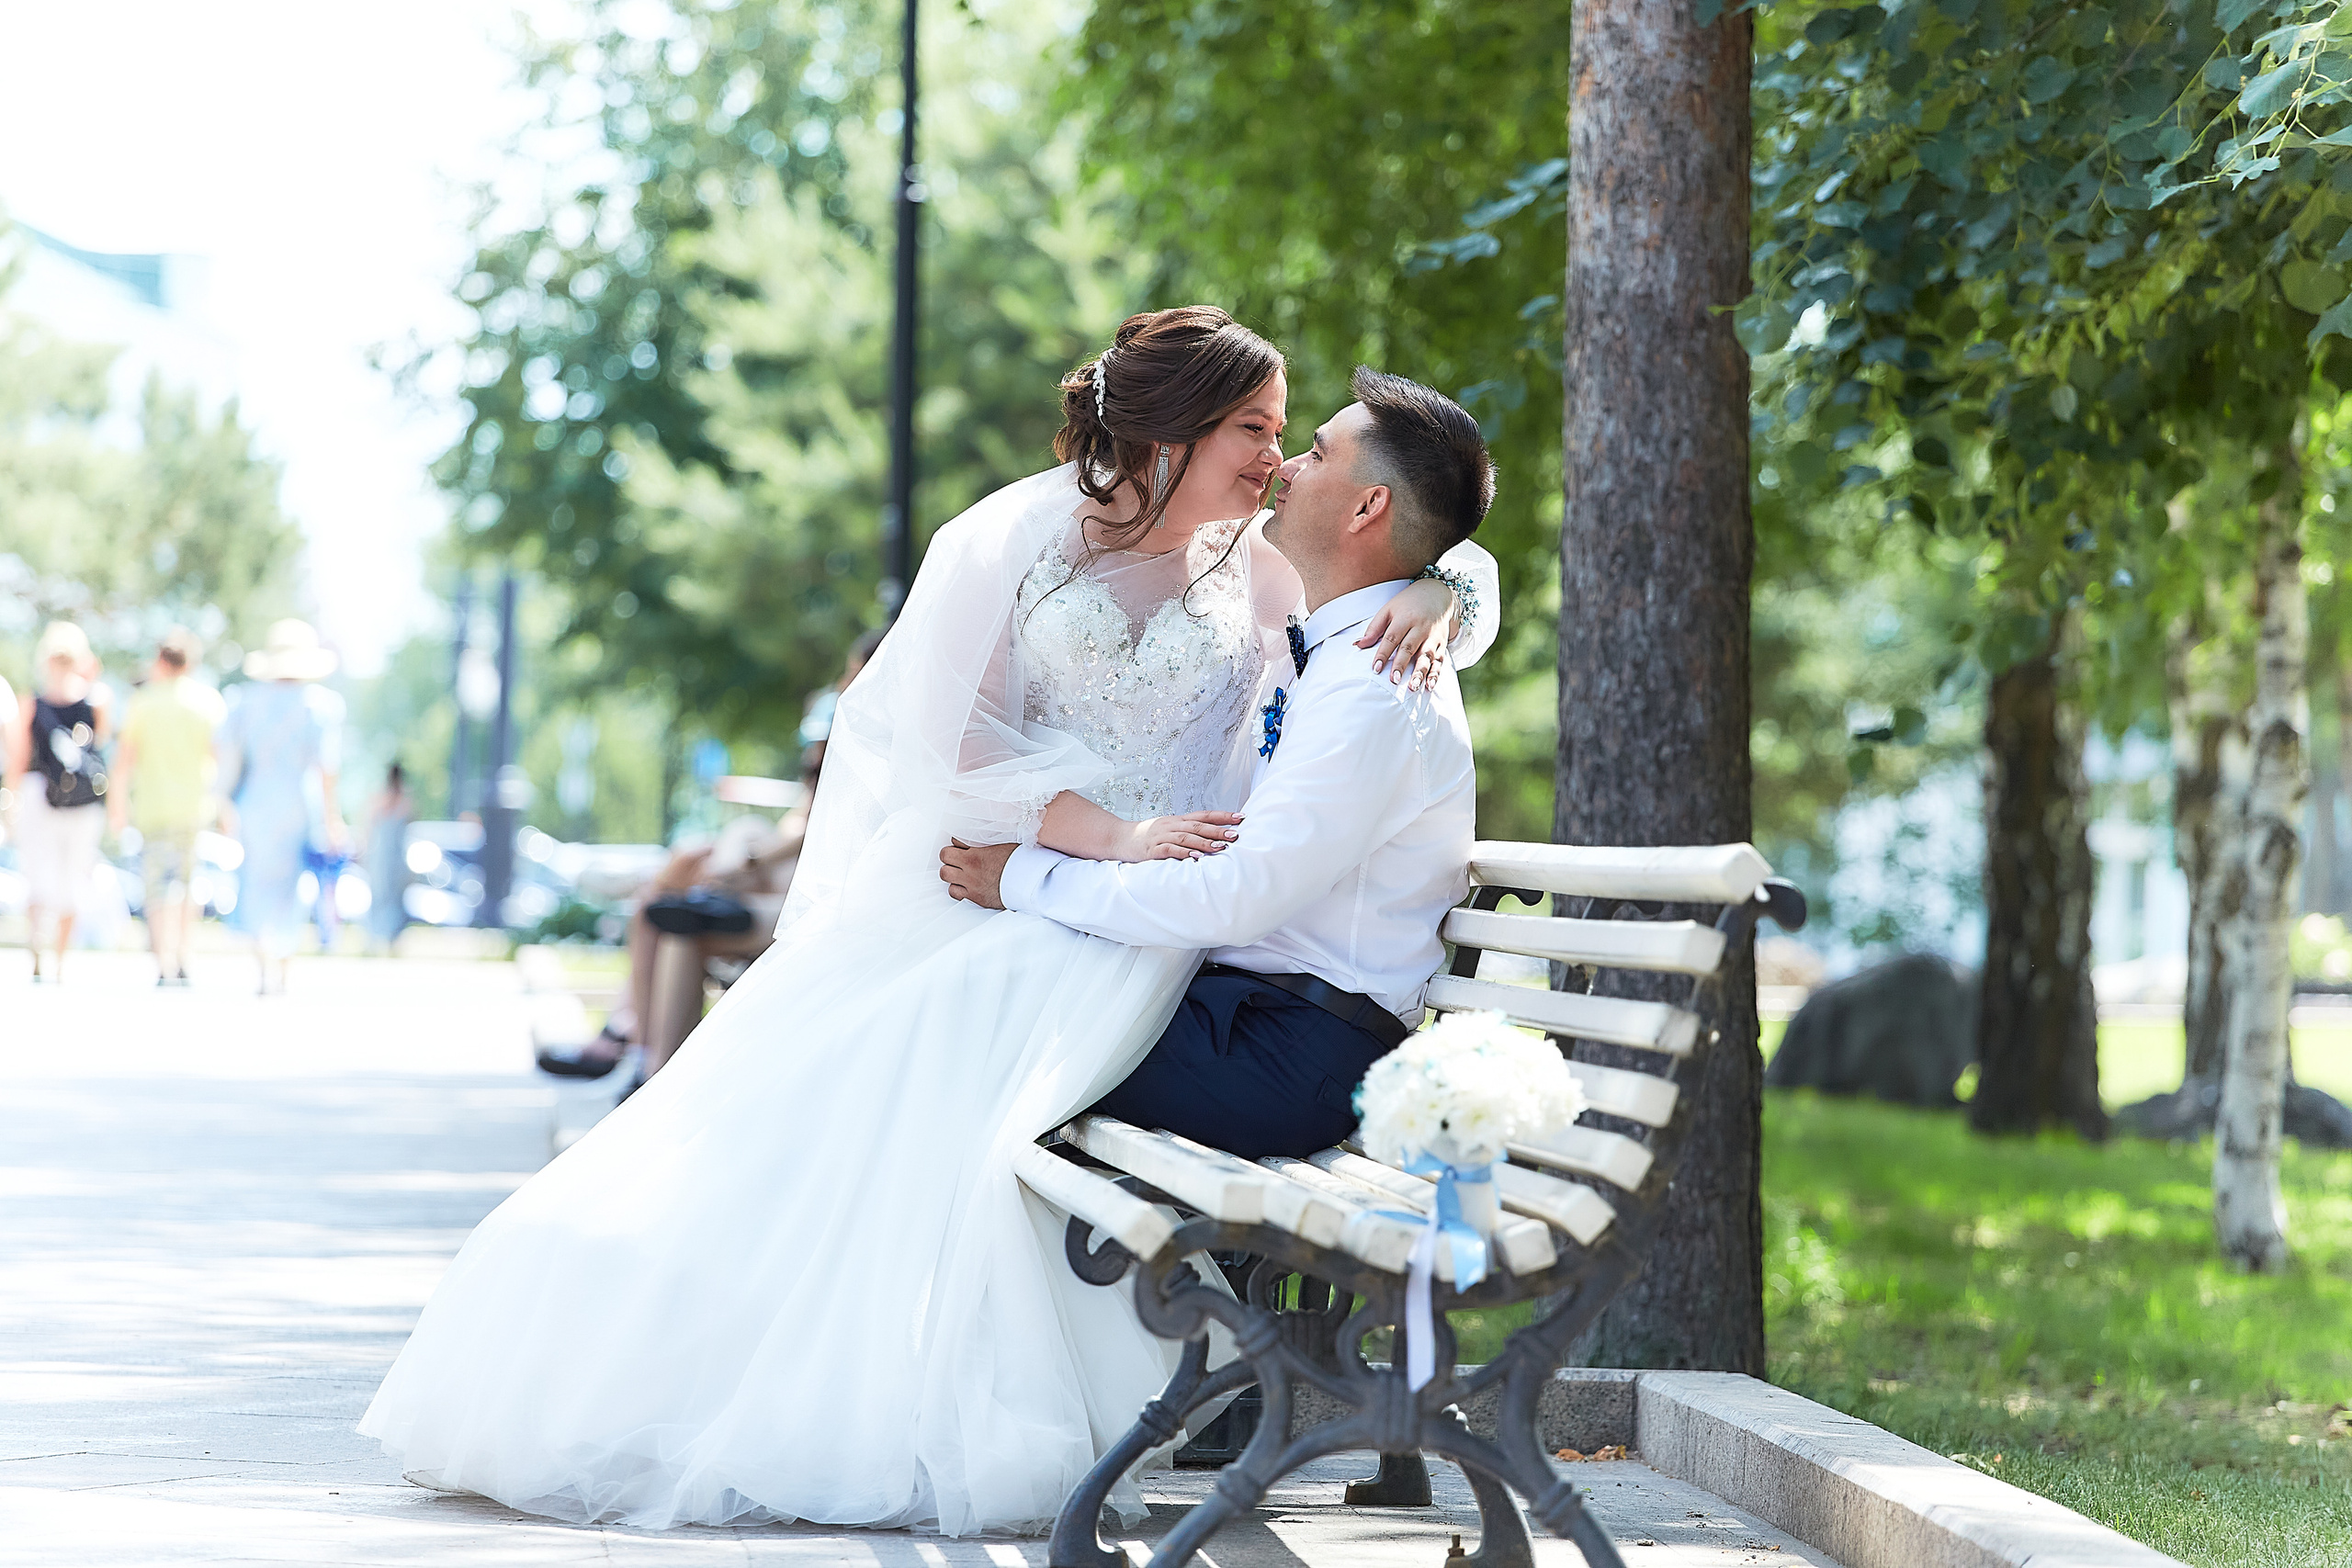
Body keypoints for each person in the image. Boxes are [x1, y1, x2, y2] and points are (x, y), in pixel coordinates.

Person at [359, 306, 1498, 1533]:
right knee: (879, 1054)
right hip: (1043, 874)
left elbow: (1418, 549)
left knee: (959, 1052)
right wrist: (1081, 841)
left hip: (1149, 918)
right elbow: (944, 751)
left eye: (1294, 438)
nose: (1278, 459)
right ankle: (725, 1355)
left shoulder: (1263, 563)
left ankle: (953, 1385)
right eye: (1258, 429)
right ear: (1171, 429)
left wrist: (1447, 590)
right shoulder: (1021, 538)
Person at [944, 369, 1493, 1165]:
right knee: (969, 990)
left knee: (973, 1017)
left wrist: (1023, 879)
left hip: (1286, 1052)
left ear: (1368, 507)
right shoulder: (1336, 642)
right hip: (1232, 1009)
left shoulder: (1376, 688)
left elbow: (1235, 896)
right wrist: (1439, 589)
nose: (1284, 466)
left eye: (1310, 449)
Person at [535, 630, 881, 1085]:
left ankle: (635, 1045)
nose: (843, 678)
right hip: (790, 865)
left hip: (829, 880)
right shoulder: (837, 723)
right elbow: (803, 816)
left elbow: (823, 827)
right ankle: (639, 1047)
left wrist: (752, 864)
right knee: (684, 888)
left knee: (685, 903)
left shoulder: (879, 740)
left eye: (852, 668)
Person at [218, 619, 345, 996]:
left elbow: (229, 761)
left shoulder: (244, 702)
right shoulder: (319, 706)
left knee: (256, 881)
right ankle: (284, 968)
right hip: (297, 802)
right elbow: (327, 769)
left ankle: (261, 967)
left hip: (255, 802)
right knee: (292, 886)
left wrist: (224, 802)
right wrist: (332, 818)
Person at [109, 630, 227, 986]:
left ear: (161, 660)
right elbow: (219, 758)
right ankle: (184, 954)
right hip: (194, 808)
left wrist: (117, 807)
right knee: (187, 884)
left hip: (153, 809)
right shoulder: (207, 702)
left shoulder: (143, 702)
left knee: (157, 886)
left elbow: (124, 761)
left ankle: (163, 961)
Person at [5, 622, 113, 982]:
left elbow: (19, 758)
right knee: (71, 879)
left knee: (37, 875)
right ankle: (61, 959)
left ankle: (39, 942)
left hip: (39, 794)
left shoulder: (32, 703)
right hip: (82, 800)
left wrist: (9, 800)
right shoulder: (96, 701)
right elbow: (103, 742)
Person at [362, 762, 414, 954]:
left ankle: (380, 938)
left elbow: (369, 826)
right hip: (391, 856)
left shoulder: (387, 799)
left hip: (385, 856)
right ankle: (386, 939)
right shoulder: (404, 800)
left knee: (384, 896)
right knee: (389, 897)